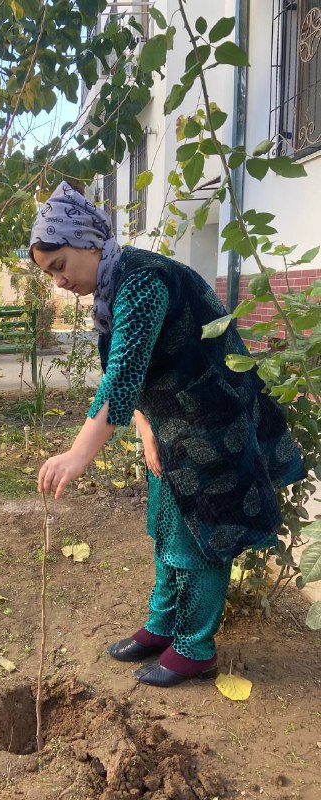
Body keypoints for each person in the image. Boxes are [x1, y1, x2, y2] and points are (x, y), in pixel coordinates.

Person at [31, 181, 305, 687]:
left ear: (88, 242)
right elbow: (131, 372)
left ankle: (195, 647)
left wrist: (77, 454)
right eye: (51, 273)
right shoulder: (113, 288)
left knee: (201, 535)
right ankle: (162, 626)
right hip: (171, 422)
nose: (59, 281)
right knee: (166, 528)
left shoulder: (143, 282)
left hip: (210, 423)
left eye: (60, 266)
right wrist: (145, 426)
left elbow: (123, 378)